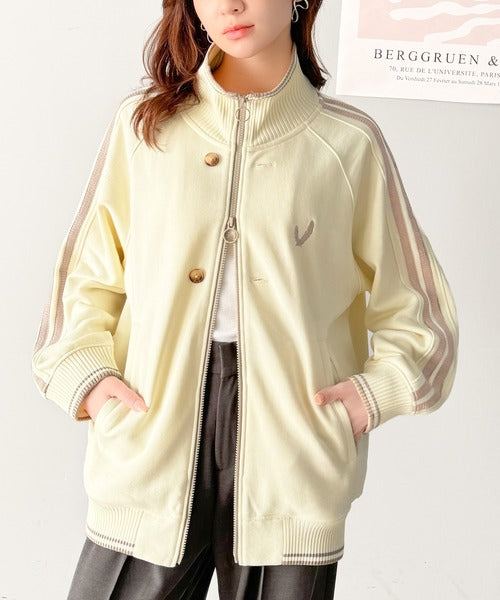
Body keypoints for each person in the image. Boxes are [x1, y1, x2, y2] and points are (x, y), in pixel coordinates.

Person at [31, 0, 459, 598]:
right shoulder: (144, 127)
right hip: (150, 431)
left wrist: (368, 400)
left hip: (294, 448)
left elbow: (420, 311)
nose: (231, 5)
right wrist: (89, 381)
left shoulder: (348, 144)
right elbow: (86, 278)